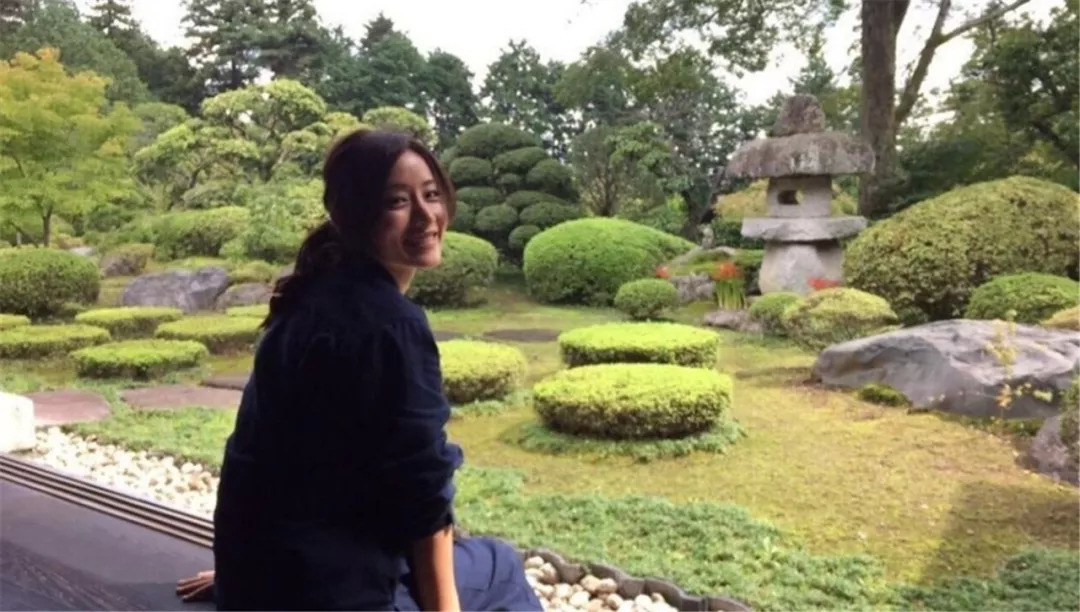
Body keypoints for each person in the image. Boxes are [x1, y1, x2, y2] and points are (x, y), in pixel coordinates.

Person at [175, 129, 542, 612]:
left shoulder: (309, 297)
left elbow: (260, 456)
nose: (426, 215)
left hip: (258, 584)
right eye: (397, 201)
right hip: (334, 596)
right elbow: (424, 495)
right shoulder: (392, 325)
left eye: (431, 195)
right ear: (356, 213)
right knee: (501, 566)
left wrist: (242, 575)